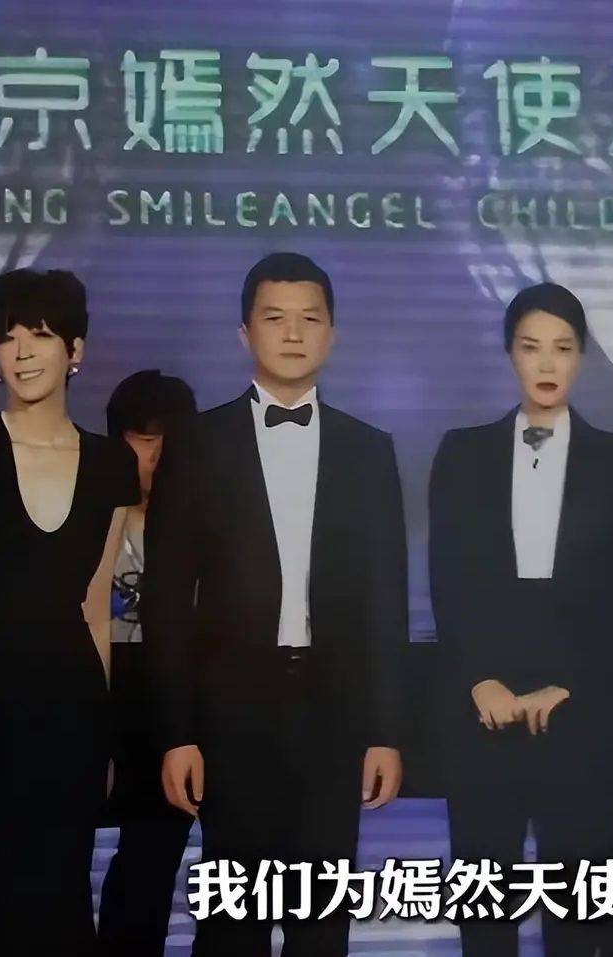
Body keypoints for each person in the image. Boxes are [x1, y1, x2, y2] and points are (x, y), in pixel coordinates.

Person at [142, 252, 407, 957]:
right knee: (233, 922)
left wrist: (385, 730)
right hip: (231, 712)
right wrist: (177, 732)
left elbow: (386, 599)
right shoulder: (198, 443)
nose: (293, 333)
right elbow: (166, 600)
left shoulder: (368, 450)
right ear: (244, 332)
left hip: (334, 712)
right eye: (275, 318)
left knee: (322, 923)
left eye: (309, 319)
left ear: (332, 334)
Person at [429, 282, 613, 957]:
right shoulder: (462, 452)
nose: (547, 363)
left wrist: (566, 684)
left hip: (578, 705)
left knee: (576, 913)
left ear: (581, 357)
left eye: (563, 348)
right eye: (531, 347)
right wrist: (479, 680)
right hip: (482, 706)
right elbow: (447, 580)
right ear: (510, 354)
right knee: (484, 908)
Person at [0, 268, 138, 956]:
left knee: (61, 893)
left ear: (75, 350)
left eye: (41, 334)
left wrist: (103, 733)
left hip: (71, 710)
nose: (22, 351)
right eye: (7, 337)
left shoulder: (111, 464)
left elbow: (96, 608)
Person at [97, 369, 198, 957]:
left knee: (151, 857)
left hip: (170, 698)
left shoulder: (200, 523)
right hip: (100, 690)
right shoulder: (89, 513)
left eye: (167, 443)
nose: (155, 458)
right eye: (142, 442)